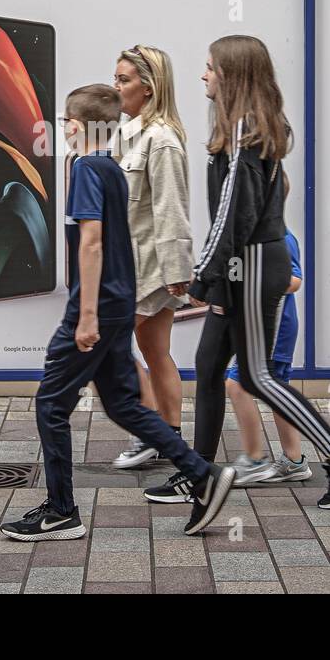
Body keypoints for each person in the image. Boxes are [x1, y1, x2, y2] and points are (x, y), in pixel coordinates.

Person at [145, 35, 330, 511]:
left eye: (209, 67)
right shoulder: (245, 127)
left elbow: (233, 215)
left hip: (250, 266)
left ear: (230, 74)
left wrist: (204, 276)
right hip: (243, 265)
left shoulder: (244, 130)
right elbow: (235, 214)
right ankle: (199, 474)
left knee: (256, 376)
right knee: (209, 367)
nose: (203, 75)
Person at [0, 84, 234, 542]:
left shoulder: (86, 168)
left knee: (50, 404)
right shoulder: (109, 168)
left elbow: (92, 241)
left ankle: (61, 511)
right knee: (124, 404)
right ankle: (200, 473)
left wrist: (85, 315)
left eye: (65, 120)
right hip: (118, 301)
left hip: (95, 307)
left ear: (75, 125)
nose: (62, 127)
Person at [109, 45, 192, 469]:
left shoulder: (161, 141)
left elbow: (171, 211)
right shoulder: (126, 133)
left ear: (149, 86)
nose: (116, 86)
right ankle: (169, 438)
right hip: (133, 265)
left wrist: (178, 274)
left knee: (108, 348)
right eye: (116, 77)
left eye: (123, 79)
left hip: (151, 270)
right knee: (156, 351)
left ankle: (148, 432)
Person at [227, 210, 309, 485]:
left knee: (236, 384)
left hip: (275, 329)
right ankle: (293, 460)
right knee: (276, 391)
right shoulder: (250, 236)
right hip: (260, 326)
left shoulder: (281, 237)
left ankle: (255, 459)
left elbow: (295, 280)